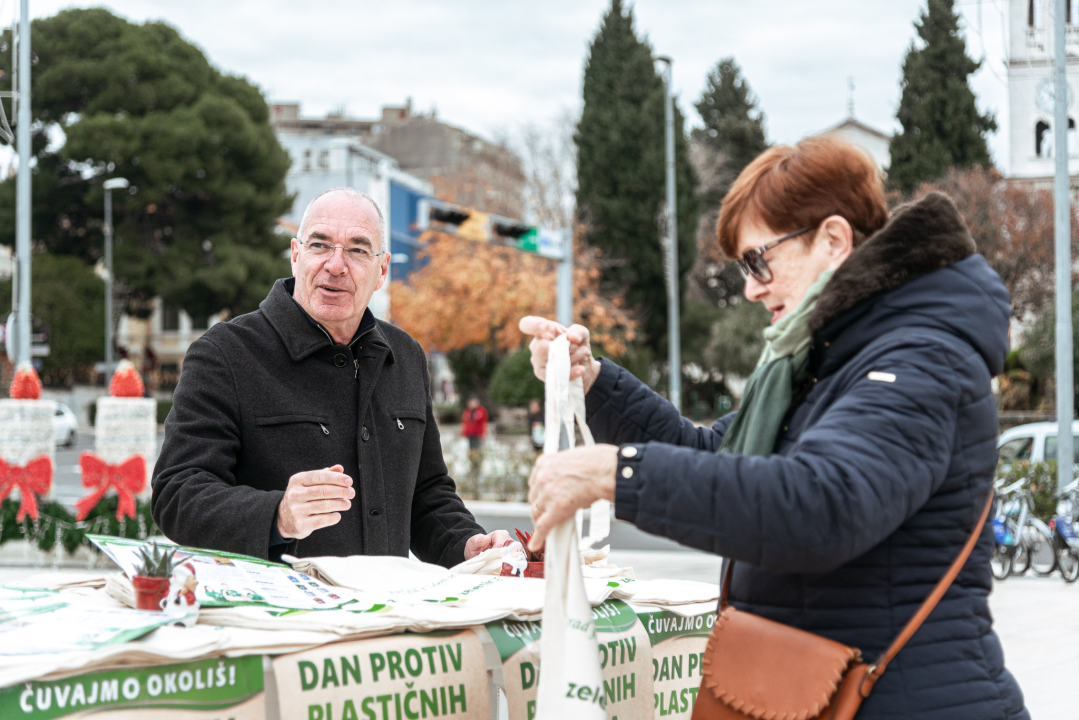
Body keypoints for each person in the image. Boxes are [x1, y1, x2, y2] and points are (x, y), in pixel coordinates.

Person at [520, 138, 1027, 719]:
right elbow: (716, 457)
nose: (751, 288)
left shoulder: (919, 357)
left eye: (759, 260)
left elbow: (821, 505)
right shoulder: (822, 360)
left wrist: (615, 473)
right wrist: (592, 381)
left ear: (832, 241)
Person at [152, 188, 510, 566]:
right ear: (296, 255)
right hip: (271, 602)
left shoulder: (406, 356)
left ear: (382, 271)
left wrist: (467, 543)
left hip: (384, 601)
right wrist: (278, 515)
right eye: (320, 245)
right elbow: (177, 495)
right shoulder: (225, 353)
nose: (336, 265)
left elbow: (427, 494)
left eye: (357, 250)